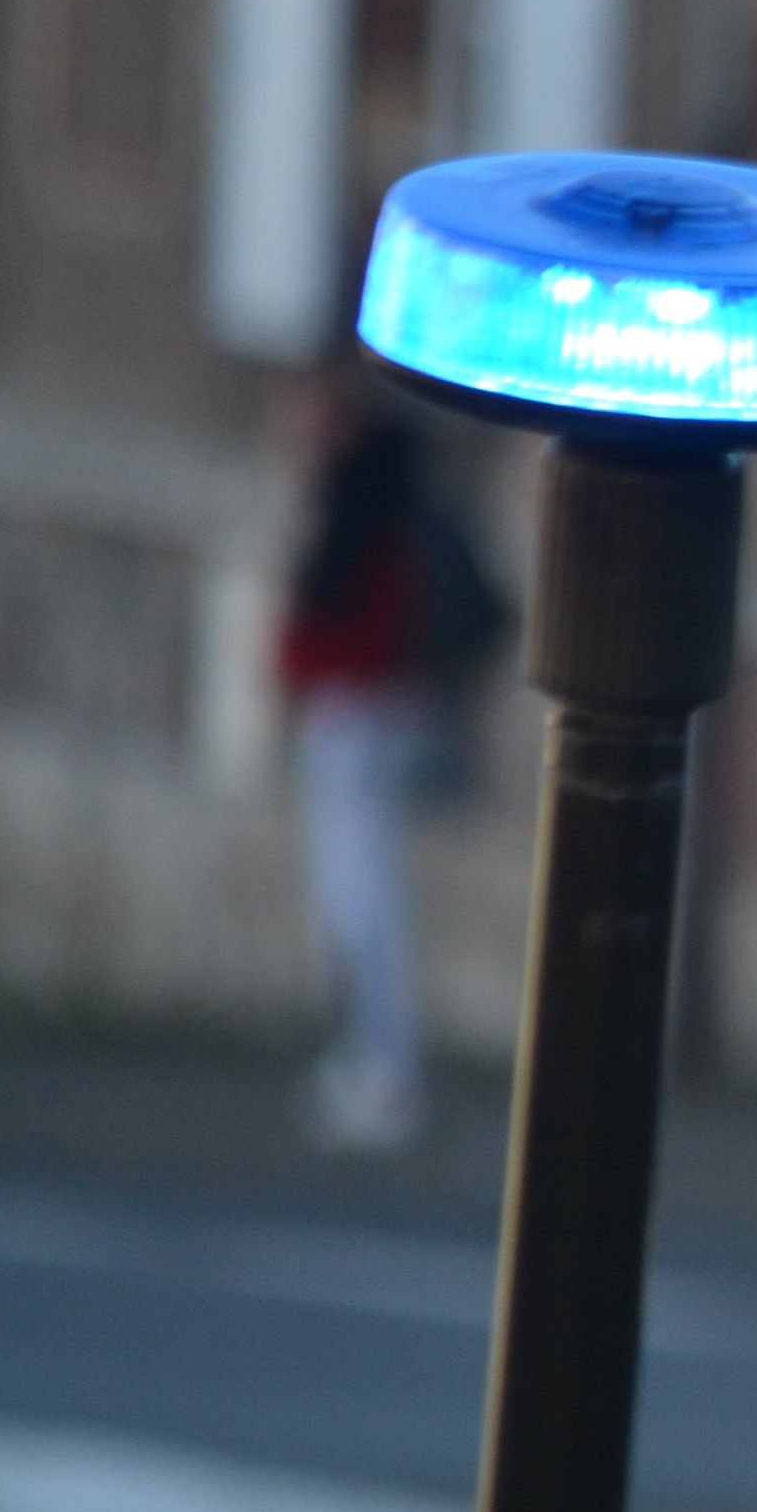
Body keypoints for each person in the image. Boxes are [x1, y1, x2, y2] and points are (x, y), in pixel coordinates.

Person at [277, 379, 497, 1150]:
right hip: (373, 721)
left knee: (361, 905)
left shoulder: (369, 519)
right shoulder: (390, 511)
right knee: (356, 904)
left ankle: (382, 1071)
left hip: (361, 724)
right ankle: (371, 1064)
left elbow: (339, 633)